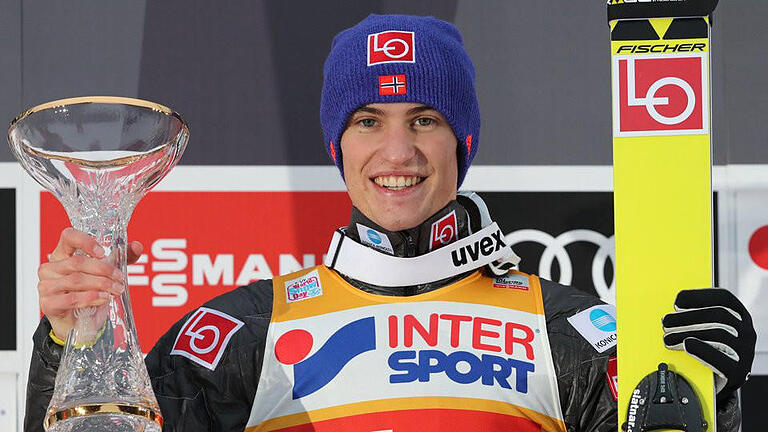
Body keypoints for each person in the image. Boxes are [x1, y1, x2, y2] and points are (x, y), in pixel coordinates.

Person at [25, 14, 753, 432]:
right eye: (368, 120)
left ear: (463, 141)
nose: (397, 152)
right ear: (335, 144)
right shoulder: (239, 335)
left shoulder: (573, 331)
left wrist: (709, 402)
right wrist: (71, 340)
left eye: (425, 119)